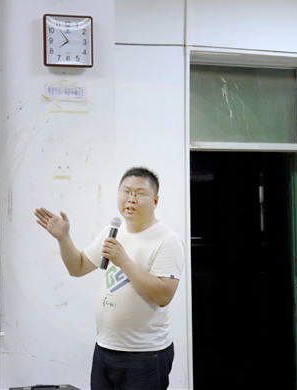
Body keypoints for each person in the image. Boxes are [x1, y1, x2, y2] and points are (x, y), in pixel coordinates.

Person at [34, 166, 185, 390]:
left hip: (145, 355)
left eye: (140, 193)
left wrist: (123, 260)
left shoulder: (167, 239)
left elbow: (163, 295)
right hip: (105, 348)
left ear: (155, 201)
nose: (131, 199)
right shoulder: (113, 231)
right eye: (126, 191)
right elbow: (78, 267)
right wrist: (64, 239)